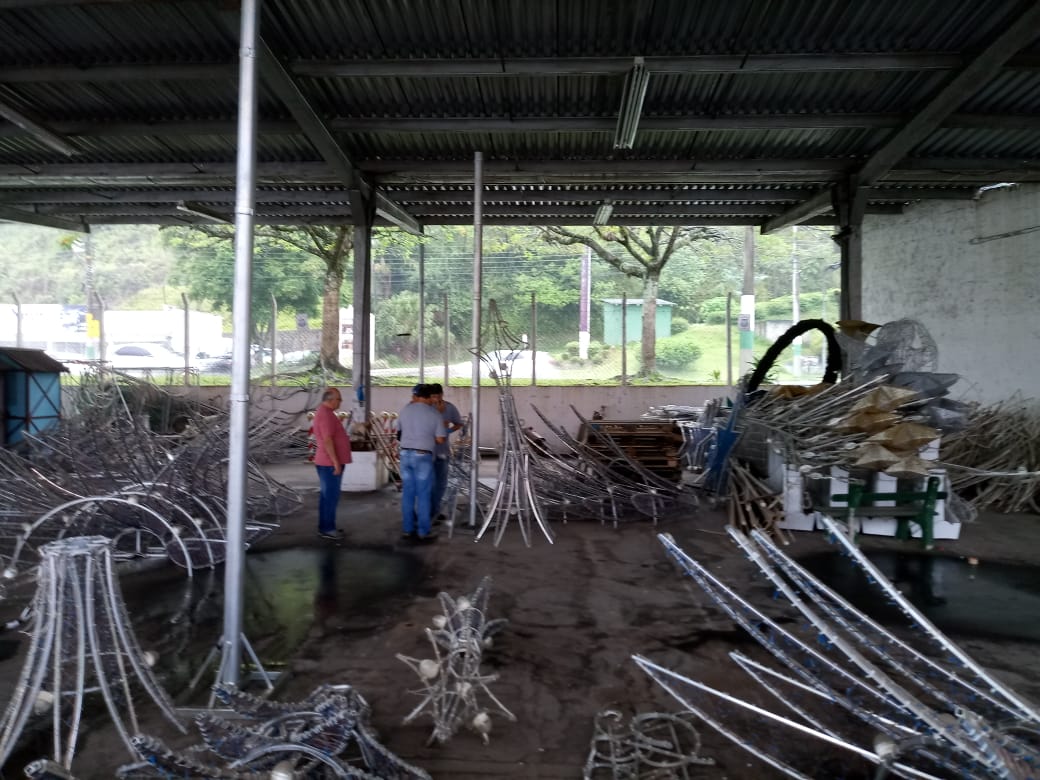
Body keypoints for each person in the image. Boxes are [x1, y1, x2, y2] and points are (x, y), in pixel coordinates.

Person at [397, 384, 446, 543]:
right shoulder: (434, 414)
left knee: (408, 493)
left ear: (417, 397)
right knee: (424, 494)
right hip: (423, 456)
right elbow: (440, 439)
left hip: (404, 454)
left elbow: (399, 434)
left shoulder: (405, 410)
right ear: (429, 398)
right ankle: (423, 531)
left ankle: (407, 529)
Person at [312, 386, 352, 540]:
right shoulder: (326, 415)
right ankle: (327, 528)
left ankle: (326, 526)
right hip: (329, 463)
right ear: (331, 400)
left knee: (327, 496)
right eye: (339, 399)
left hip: (328, 462)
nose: (340, 402)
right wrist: (335, 462)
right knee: (330, 496)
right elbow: (328, 440)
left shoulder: (326, 413)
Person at [429, 382, 463, 521]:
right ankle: (428, 512)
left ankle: (435, 510)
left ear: (442, 394)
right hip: (427, 451)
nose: (435, 399)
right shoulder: (426, 408)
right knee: (428, 483)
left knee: (441, 483)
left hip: (442, 450)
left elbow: (459, 423)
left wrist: (448, 430)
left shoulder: (449, 408)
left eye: (437, 395)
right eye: (432, 396)